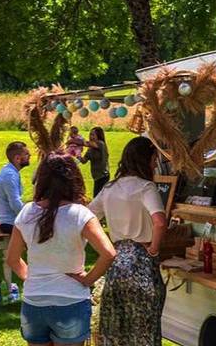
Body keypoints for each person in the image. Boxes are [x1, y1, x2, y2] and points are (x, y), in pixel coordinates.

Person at [5, 154, 116, 346]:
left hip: (34, 301)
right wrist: (88, 279)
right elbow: (109, 253)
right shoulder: (80, 214)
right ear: (74, 179)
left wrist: (30, 277)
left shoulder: (27, 212)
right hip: (70, 300)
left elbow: (12, 258)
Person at [88, 136, 167, 346]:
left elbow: (86, 218)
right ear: (146, 160)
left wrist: (103, 243)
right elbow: (159, 221)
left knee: (116, 330)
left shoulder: (109, 188)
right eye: (153, 160)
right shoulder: (146, 187)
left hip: (116, 263)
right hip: (141, 262)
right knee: (144, 331)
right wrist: (154, 249)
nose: (154, 164)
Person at [0, 142, 29, 234]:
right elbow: (15, 203)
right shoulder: (10, 175)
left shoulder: (11, 172)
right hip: (11, 224)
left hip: (11, 222)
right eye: (26, 154)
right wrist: (31, 216)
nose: (29, 155)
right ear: (17, 158)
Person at [79, 127, 110, 197]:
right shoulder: (90, 149)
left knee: (97, 197)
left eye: (93, 135)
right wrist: (77, 155)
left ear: (98, 136)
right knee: (98, 197)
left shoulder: (101, 144)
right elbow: (84, 161)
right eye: (90, 134)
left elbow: (87, 143)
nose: (91, 136)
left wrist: (75, 140)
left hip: (103, 176)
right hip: (96, 177)